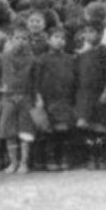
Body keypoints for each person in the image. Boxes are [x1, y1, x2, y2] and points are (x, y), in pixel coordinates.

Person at [0, 22, 37, 173]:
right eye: (17, 38)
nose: (21, 41)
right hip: (7, 97)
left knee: (25, 130)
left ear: (29, 41)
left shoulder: (33, 59)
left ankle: (24, 162)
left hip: (25, 97)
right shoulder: (2, 58)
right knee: (8, 131)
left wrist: (36, 98)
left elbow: (35, 81)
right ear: (11, 39)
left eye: (24, 38)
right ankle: (13, 162)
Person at [74, 22, 106, 169]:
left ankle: (103, 157)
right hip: (85, 95)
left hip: (100, 94)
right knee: (88, 127)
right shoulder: (82, 54)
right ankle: (92, 156)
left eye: (92, 32)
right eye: (86, 32)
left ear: (100, 34)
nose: (88, 35)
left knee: (101, 127)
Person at [35, 28, 75, 170]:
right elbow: (37, 81)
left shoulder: (70, 59)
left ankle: (64, 158)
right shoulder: (42, 59)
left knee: (65, 129)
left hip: (65, 98)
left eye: (62, 38)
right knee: (50, 130)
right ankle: (51, 159)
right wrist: (39, 97)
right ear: (49, 40)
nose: (59, 40)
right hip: (49, 99)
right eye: (56, 37)